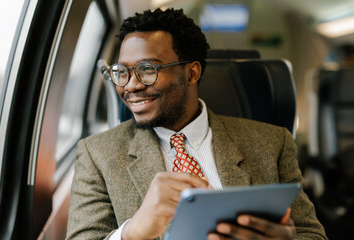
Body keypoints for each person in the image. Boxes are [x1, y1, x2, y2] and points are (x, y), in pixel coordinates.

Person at [66, 8, 327, 240]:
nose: (131, 85)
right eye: (122, 72)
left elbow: (311, 234)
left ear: (192, 73)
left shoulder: (272, 143)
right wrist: (132, 233)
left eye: (147, 69)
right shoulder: (97, 154)